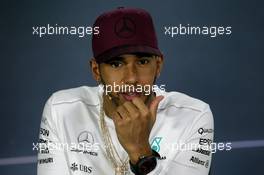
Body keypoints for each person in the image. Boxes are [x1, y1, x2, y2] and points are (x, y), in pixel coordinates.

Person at [37, 7, 214, 175]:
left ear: (158, 65)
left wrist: (141, 153)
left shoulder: (194, 115)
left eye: (142, 62)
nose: (131, 78)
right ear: (96, 70)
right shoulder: (60, 109)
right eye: (116, 64)